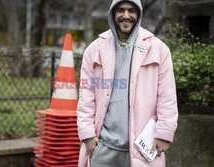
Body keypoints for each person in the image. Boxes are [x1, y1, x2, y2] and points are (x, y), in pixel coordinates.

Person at [76, 0, 178, 166]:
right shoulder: (94, 50)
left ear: (138, 14)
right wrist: (87, 135)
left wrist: (164, 133)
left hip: (144, 149)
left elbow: (167, 96)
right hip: (103, 148)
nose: (126, 16)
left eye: (131, 10)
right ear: (112, 13)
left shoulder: (159, 50)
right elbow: (87, 96)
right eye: (120, 10)